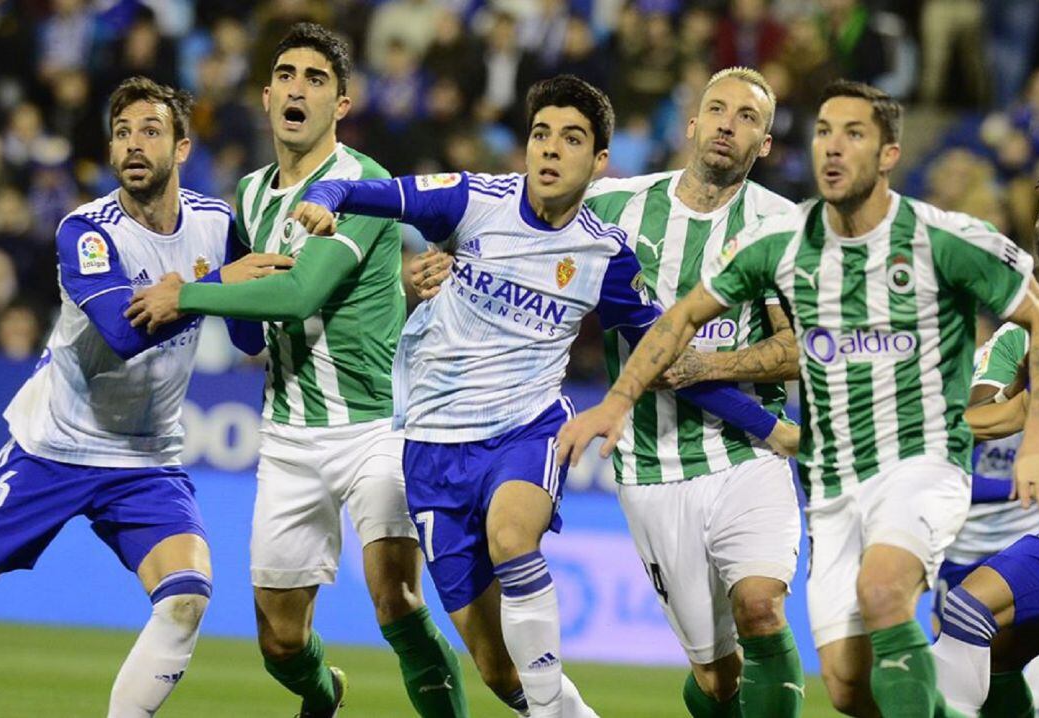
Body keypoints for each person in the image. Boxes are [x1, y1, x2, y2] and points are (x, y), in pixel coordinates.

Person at [290, 74, 798, 717]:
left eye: (572, 139)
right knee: (498, 666)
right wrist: (333, 204)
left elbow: (666, 354)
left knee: (514, 536)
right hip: (435, 442)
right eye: (540, 136)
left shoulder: (608, 247)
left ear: (598, 161)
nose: (552, 150)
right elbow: (369, 192)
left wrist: (768, 427)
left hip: (530, 428)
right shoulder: (479, 200)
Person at [557, 79, 1039, 718]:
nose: (834, 150)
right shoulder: (729, 230)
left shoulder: (912, 237)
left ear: (889, 155)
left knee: (847, 597)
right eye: (825, 133)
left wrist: (1026, 442)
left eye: (855, 136)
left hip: (827, 461)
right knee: (813, 684)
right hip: (742, 473)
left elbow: (1032, 321)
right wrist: (618, 397)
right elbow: (668, 314)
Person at [125, 24, 467, 718]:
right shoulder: (250, 194)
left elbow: (300, 294)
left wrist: (185, 292)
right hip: (287, 435)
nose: (298, 88)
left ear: (342, 104)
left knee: (395, 599)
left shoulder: (362, 185)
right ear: (266, 94)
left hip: (375, 427)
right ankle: (326, 694)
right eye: (287, 74)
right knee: (281, 643)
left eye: (317, 79)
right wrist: (229, 283)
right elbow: (254, 326)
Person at [0, 76, 282, 717]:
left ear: (183, 147)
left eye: (150, 130)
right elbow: (120, 332)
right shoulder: (86, 230)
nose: (134, 144)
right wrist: (216, 283)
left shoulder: (217, 224)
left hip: (145, 460)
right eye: (122, 133)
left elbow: (248, 334)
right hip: (54, 445)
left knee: (188, 596)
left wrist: (263, 275)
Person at [932, 194, 1039, 717]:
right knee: (994, 652)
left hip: (1019, 532)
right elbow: (996, 413)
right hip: (970, 548)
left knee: (970, 612)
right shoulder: (1019, 337)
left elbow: (1011, 415)